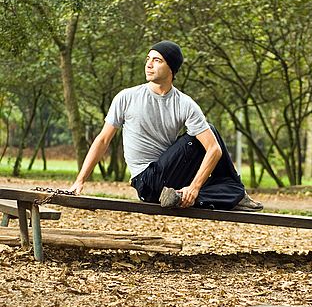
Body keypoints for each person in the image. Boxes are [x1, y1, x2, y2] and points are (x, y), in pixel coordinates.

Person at [70, 40, 263, 212]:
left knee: (207, 135)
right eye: (148, 59)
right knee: (208, 131)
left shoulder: (185, 104)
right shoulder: (127, 97)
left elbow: (214, 150)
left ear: (171, 67)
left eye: (157, 60)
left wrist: (193, 187)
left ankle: (180, 197)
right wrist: (80, 181)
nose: (149, 64)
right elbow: (103, 140)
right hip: (146, 183)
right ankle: (235, 192)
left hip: (171, 182)